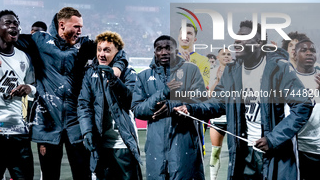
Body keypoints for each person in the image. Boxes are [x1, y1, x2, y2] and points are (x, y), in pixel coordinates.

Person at [0, 7, 127, 180]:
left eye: (81, 27)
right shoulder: (39, 41)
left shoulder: (84, 45)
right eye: (76, 27)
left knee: (84, 175)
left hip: (77, 124)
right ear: (62, 25)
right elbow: (5, 36)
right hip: (47, 125)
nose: (80, 31)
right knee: (50, 176)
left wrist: (118, 67)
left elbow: (118, 50)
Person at [174, 20, 313, 180]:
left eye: (244, 37)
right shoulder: (232, 71)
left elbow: (304, 104)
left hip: (273, 152)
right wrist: (191, 109)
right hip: (242, 152)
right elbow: (218, 103)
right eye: (236, 37)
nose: (237, 41)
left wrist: (273, 139)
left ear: (259, 42)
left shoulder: (279, 68)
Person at [132, 35, 206, 180]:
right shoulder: (143, 76)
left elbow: (201, 102)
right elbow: (137, 109)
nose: (164, 52)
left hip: (185, 145)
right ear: (154, 52)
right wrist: (163, 93)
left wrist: (172, 107)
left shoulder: (191, 71)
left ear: (176, 50)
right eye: (159, 49)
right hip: (156, 148)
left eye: (168, 48)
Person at [78, 31, 142, 180]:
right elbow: (83, 105)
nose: (101, 54)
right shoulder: (90, 73)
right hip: (100, 145)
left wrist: (114, 81)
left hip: (123, 144)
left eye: (107, 50)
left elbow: (132, 101)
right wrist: (86, 131)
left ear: (117, 52)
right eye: (99, 49)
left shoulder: (127, 73)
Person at [0, 10, 36, 180]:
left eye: (16, 24)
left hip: (18, 131)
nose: (14, 26)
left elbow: (34, 87)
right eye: (8, 23)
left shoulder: (24, 58)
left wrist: (29, 89)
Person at [292, 39, 320, 180]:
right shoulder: (289, 80)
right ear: (295, 55)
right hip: (303, 148)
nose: (309, 53)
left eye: (312, 50)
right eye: (304, 50)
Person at [208, 48, 232, 180]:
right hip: (218, 119)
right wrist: (217, 80)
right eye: (223, 54)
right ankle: (213, 178)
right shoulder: (211, 73)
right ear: (217, 57)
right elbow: (210, 96)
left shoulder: (237, 72)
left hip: (233, 118)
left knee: (237, 152)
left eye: (229, 54)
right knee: (215, 152)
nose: (227, 56)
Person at [178, 23, 210, 88]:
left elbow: (202, 84)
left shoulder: (203, 60)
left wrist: (189, 67)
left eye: (189, 33)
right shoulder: (168, 58)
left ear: (194, 40)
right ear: (179, 37)